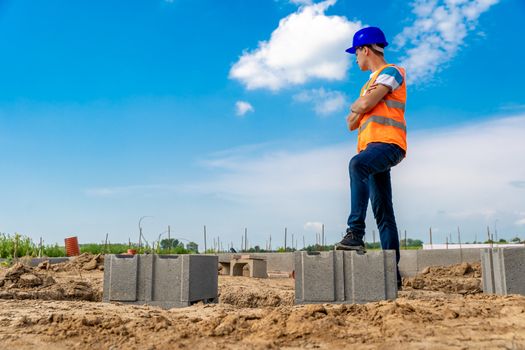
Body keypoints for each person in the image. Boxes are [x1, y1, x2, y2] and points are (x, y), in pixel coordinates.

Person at [335, 27, 407, 288]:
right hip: (372, 148)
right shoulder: (369, 83)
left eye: (355, 53)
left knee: (357, 165)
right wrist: (362, 102)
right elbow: (350, 123)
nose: (355, 59)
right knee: (384, 212)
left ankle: (355, 232)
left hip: (389, 144)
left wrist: (361, 103)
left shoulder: (392, 72)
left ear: (365, 49)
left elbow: (361, 108)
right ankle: (393, 274)